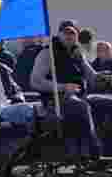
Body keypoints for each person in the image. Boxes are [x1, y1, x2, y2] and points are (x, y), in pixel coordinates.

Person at [30, 20, 106, 160]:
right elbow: (35, 81)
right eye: (66, 33)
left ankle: (111, 151)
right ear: (59, 34)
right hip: (56, 100)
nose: (69, 36)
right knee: (81, 106)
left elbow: (93, 78)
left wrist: (105, 77)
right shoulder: (48, 53)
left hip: (80, 96)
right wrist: (63, 87)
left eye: (73, 33)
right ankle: (91, 153)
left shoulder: (78, 54)